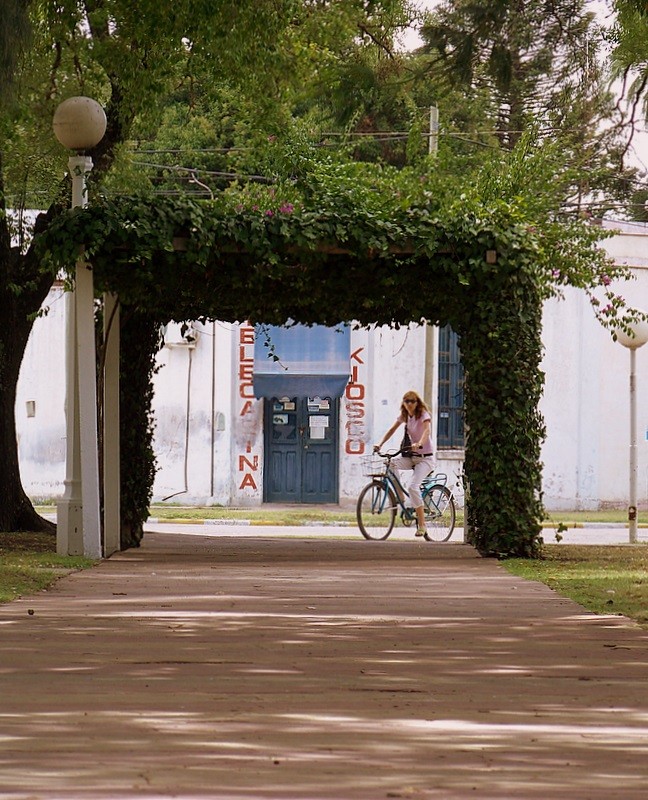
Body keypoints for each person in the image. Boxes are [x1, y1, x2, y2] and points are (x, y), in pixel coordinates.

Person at [373, 390, 434, 537]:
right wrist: (379, 444)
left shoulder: (423, 414)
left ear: (417, 402)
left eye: (412, 401)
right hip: (411, 457)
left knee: (413, 487)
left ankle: (422, 525)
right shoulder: (405, 416)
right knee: (391, 464)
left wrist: (419, 443)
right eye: (406, 402)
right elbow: (392, 429)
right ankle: (400, 496)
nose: (409, 404)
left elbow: (427, 431)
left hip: (425, 459)